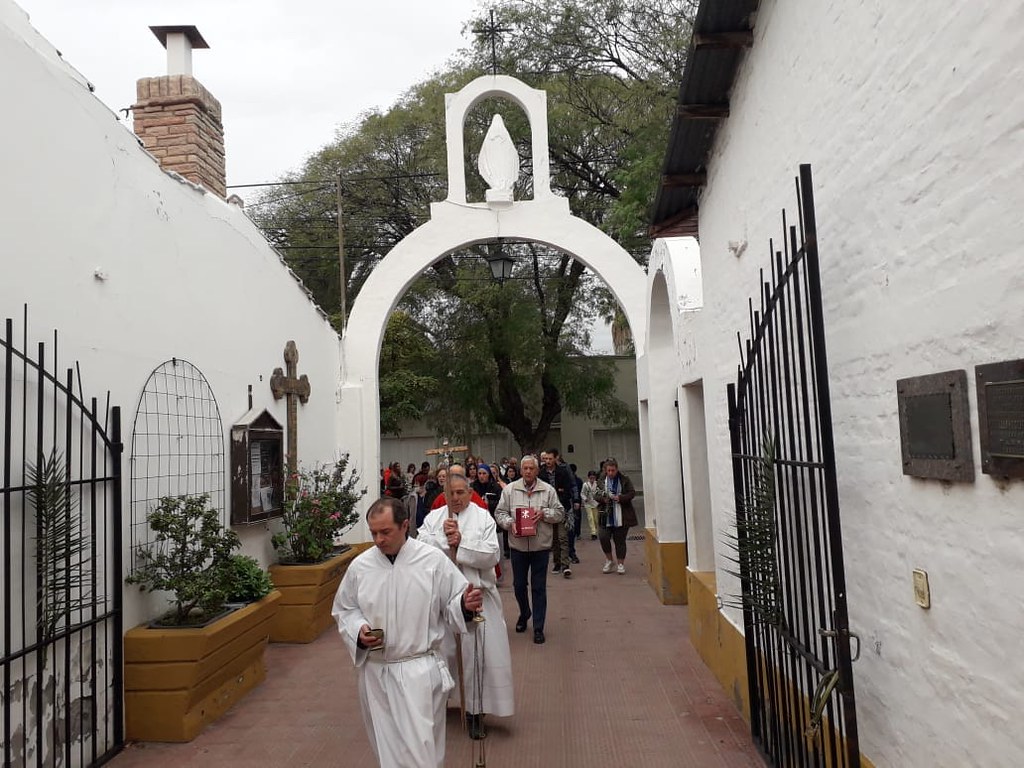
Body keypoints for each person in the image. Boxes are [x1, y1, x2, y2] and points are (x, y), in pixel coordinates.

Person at [332, 497, 484, 768]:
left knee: (421, 754)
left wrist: (464, 605)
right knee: (388, 752)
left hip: (419, 671)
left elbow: (454, 602)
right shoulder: (360, 566)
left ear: (404, 526)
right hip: (376, 672)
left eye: (385, 532)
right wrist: (358, 630)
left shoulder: (432, 560)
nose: (378, 540)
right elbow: (345, 609)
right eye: (373, 533)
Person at [419, 473, 514, 740]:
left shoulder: (483, 518)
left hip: (477, 595)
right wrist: (444, 541)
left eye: (461, 492)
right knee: (443, 653)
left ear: (470, 493)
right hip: (443, 599)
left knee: (477, 655)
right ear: (444, 494)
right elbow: (420, 549)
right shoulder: (433, 519)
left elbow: (492, 554)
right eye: (451, 493)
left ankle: (475, 711)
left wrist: (462, 543)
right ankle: (441, 703)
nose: (456, 498)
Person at [494, 455, 564, 644]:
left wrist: (544, 513)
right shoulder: (510, 490)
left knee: (538, 587)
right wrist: (510, 523)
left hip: (540, 546)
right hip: (518, 546)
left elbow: (560, 513)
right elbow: (499, 513)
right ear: (520, 470)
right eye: (525, 468)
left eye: (531, 468)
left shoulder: (547, 490)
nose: (528, 471)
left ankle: (538, 627)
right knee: (519, 586)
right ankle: (525, 612)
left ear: (537, 470)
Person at [596, 457, 638, 575]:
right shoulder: (601, 480)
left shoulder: (624, 479)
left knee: (620, 540)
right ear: (605, 470)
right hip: (605, 514)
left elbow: (632, 493)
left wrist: (620, 498)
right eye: (608, 470)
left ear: (617, 469)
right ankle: (609, 560)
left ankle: (620, 563)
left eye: (613, 470)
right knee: (603, 537)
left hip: (621, 514)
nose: (611, 473)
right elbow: (595, 495)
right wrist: (603, 499)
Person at [539, 449, 575, 577]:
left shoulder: (563, 472)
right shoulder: (541, 473)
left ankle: (565, 564)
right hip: (548, 509)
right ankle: (557, 562)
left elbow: (568, 489)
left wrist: (562, 501)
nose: (548, 461)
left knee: (562, 537)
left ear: (555, 458)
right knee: (553, 538)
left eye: (550, 459)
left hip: (561, 507)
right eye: (546, 459)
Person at [580, 469, 601, 540]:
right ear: (588, 477)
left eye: (593, 478)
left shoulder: (597, 484)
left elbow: (600, 492)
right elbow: (582, 493)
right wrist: (585, 498)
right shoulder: (585, 485)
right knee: (590, 518)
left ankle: (597, 530)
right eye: (591, 478)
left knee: (596, 518)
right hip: (588, 503)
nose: (592, 479)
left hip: (595, 503)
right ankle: (593, 533)